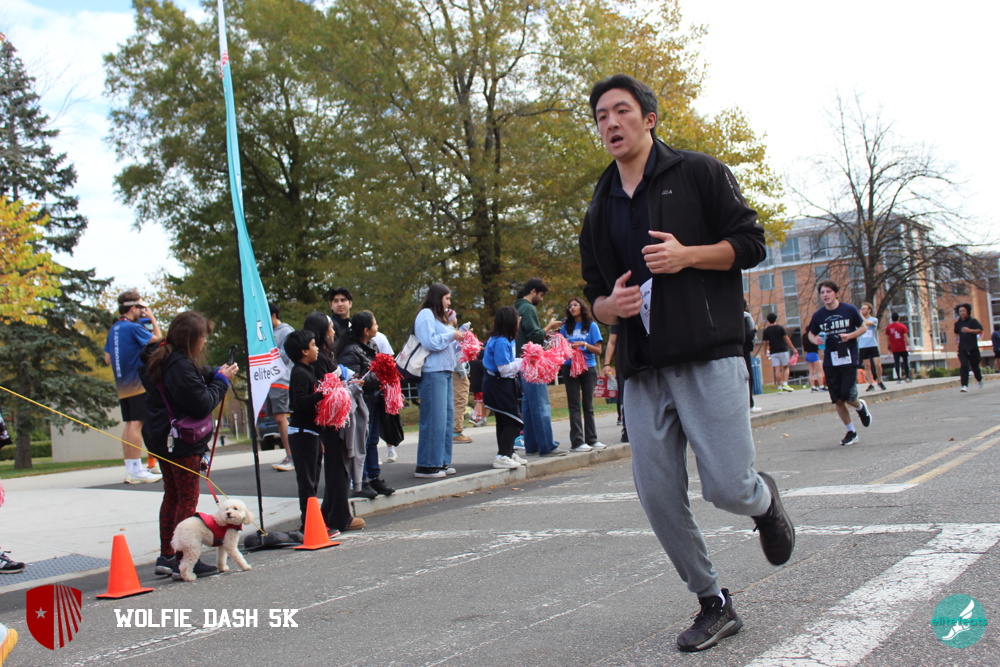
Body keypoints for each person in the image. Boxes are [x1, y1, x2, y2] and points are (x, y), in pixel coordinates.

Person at [579, 74, 795, 653]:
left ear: (649, 118)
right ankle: (713, 601)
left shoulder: (699, 172)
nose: (611, 123)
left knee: (728, 488)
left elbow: (751, 244)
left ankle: (762, 501)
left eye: (621, 111)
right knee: (657, 497)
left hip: (707, 355)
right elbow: (595, 294)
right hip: (643, 369)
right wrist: (610, 307)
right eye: (601, 116)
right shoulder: (599, 207)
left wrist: (686, 256)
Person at [140, 311, 236, 579]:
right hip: (182, 440)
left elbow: (191, 379)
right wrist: (221, 381)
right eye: (202, 337)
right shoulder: (180, 365)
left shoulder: (161, 357)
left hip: (160, 437)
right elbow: (202, 402)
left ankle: (167, 554)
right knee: (187, 498)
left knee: (172, 495)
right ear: (191, 338)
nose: (204, 342)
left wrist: (214, 372)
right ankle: (184, 559)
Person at [302, 312, 364, 533]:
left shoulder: (325, 354)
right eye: (329, 326)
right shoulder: (318, 358)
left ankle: (331, 512)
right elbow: (328, 387)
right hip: (329, 420)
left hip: (334, 418)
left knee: (339, 466)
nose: (333, 330)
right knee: (337, 468)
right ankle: (339, 517)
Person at [104, 290, 163, 484]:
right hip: (136, 381)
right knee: (137, 423)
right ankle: (137, 469)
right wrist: (152, 317)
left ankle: (131, 469)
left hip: (122, 383)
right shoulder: (133, 327)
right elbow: (158, 339)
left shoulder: (114, 329)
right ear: (132, 308)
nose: (141, 311)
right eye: (140, 307)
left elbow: (107, 358)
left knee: (130, 423)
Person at [806, 281, 874, 446]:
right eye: (822, 293)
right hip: (830, 360)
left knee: (847, 395)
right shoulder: (819, 315)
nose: (825, 295)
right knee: (837, 400)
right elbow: (811, 333)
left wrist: (849, 336)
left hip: (848, 358)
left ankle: (860, 406)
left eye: (828, 292)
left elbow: (863, 328)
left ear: (836, 293)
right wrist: (815, 339)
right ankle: (851, 431)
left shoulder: (849, 310)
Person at [337, 310, 395, 498]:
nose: (377, 327)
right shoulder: (350, 351)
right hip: (362, 404)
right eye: (374, 324)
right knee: (362, 441)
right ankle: (361, 480)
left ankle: (374, 476)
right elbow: (354, 381)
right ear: (366, 330)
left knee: (373, 440)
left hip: (374, 400)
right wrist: (378, 378)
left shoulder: (371, 345)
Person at [413, 283, 465, 478]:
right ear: (437, 298)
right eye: (447, 298)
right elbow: (429, 342)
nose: (449, 303)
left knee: (446, 419)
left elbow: (445, 344)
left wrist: (458, 336)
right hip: (432, 371)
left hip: (445, 371)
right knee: (434, 418)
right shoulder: (425, 314)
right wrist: (452, 335)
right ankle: (426, 464)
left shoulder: (439, 319)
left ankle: (441, 460)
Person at [515, 278, 565, 457]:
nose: (541, 299)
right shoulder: (528, 308)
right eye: (541, 295)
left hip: (522, 361)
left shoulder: (517, 307)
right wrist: (549, 327)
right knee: (540, 404)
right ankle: (547, 446)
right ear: (533, 291)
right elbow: (535, 335)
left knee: (529, 406)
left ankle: (532, 445)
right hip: (532, 362)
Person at [483, 306, 528, 470]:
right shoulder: (501, 341)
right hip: (498, 384)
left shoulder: (505, 339)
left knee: (503, 421)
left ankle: (508, 452)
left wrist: (520, 361)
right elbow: (503, 368)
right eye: (517, 317)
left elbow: (509, 362)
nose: (519, 320)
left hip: (500, 383)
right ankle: (502, 456)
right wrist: (525, 362)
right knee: (512, 421)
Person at [559, 297, 605, 452]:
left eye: (575, 305)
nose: (572, 307)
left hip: (588, 368)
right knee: (574, 405)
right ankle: (577, 442)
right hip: (569, 367)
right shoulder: (565, 328)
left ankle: (592, 439)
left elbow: (598, 350)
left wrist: (584, 344)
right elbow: (560, 349)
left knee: (588, 405)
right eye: (569, 306)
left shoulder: (592, 326)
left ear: (582, 307)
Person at [267, 301, 295, 472]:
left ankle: (292, 456)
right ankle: (290, 454)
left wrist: (269, 354)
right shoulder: (266, 332)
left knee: (280, 417)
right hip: (270, 380)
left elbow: (287, 355)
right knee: (278, 419)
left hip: (282, 379)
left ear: (273, 315)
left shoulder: (285, 331)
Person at [603, 325, 628, 441]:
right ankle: (627, 430)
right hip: (625, 363)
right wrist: (607, 364)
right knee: (625, 397)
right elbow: (612, 342)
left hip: (646, 361)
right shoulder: (620, 319)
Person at [761, 312, 795, 392]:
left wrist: (765, 351)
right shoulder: (780, 328)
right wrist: (793, 348)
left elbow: (765, 343)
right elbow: (786, 339)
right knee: (786, 367)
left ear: (768, 321)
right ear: (776, 319)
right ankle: (785, 384)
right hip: (783, 350)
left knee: (777, 369)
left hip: (773, 352)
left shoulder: (766, 331)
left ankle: (779, 387)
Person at [954, 303, 983, 392]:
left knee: (975, 366)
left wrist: (969, 330)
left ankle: (979, 379)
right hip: (962, 348)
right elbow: (956, 332)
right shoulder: (958, 323)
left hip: (973, 348)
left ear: (967, 311)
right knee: (964, 365)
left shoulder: (973, 321)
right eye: (960, 311)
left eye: (963, 311)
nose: (962, 313)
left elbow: (980, 330)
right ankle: (964, 385)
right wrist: (957, 338)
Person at [858, 302, 886, 392]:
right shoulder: (859, 320)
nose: (862, 310)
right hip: (863, 345)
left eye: (864, 309)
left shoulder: (874, 319)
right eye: (861, 309)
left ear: (869, 310)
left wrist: (860, 315)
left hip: (872, 344)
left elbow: (867, 323)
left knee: (878, 364)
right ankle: (870, 384)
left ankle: (880, 380)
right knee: (867, 365)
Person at [742, 302, 761, 412]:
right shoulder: (745, 317)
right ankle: (750, 404)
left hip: (737, 351)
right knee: (748, 378)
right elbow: (747, 336)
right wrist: (754, 330)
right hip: (744, 351)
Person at [885, 312, 912, 383]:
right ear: (899, 318)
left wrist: (889, 346)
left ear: (892, 319)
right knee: (905, 362)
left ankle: (898, 378)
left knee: (896, 363)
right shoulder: (902, 326)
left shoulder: (889, 327)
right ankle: (907, 377)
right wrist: (909, 345)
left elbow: (887, 337)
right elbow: (905, 337)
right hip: (903, 347)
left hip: (895, 348)